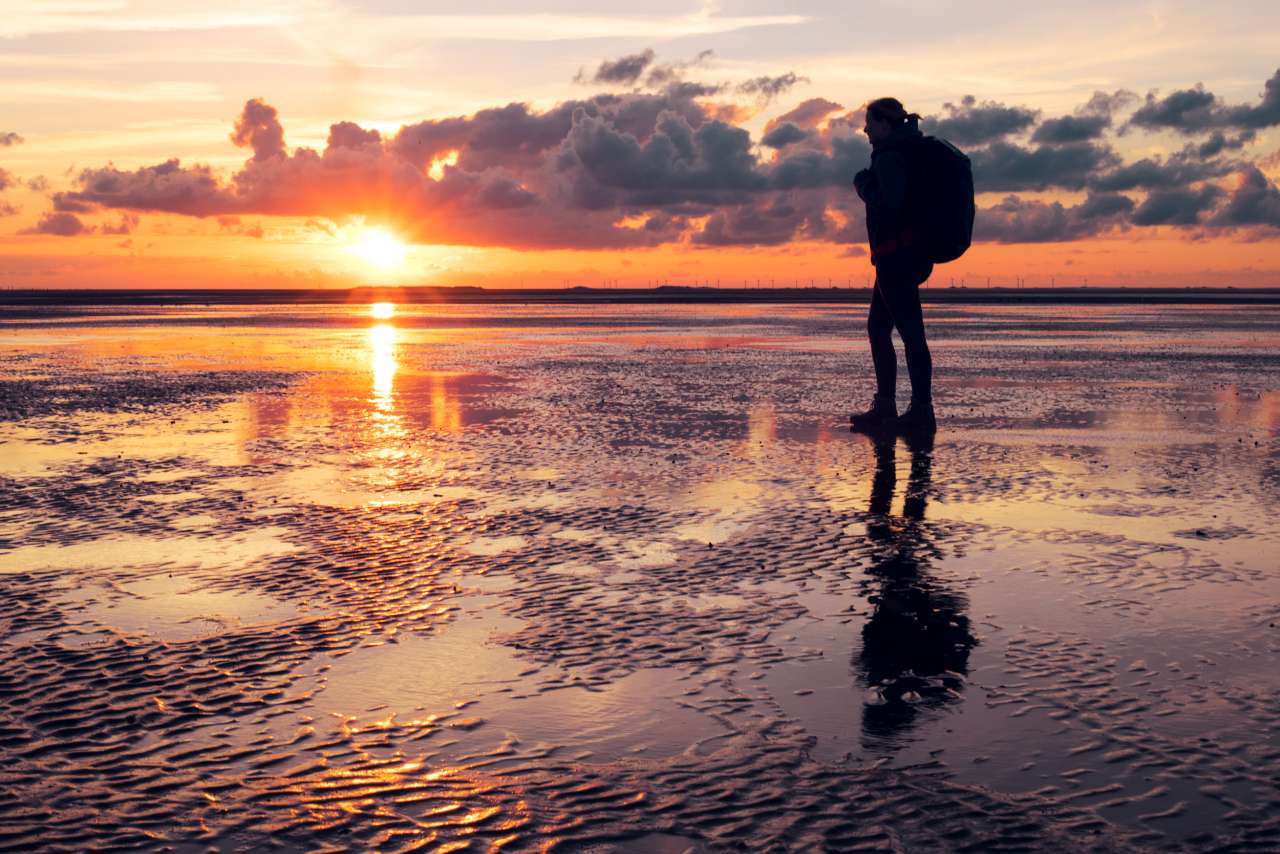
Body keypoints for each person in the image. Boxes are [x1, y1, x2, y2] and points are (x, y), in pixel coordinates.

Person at [850, 97, 936, 435]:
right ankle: (887, 406)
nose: (866, 129)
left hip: (896, 257)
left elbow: (891, 204)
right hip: (903, 256)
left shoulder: (889, 158)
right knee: (879, 329)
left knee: (911, 335)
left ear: (885, 124)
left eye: (869, 123)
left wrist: (863, 183)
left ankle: (921, 412)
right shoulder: (907, 152)